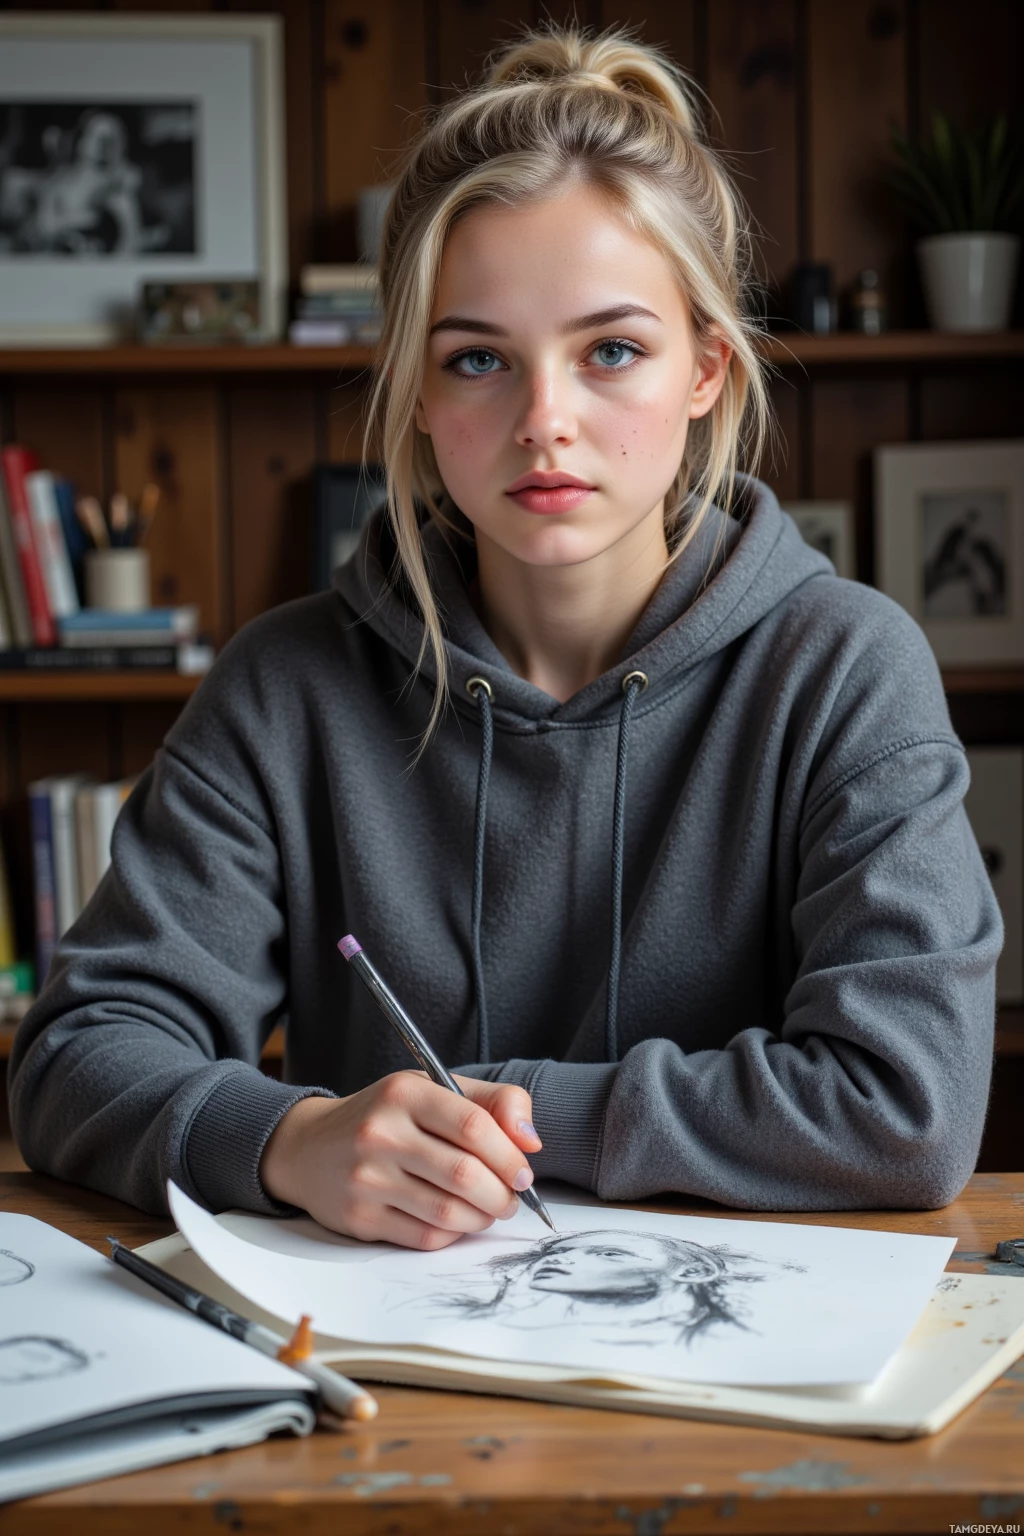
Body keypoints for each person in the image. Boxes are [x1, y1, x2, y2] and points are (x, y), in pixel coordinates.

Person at [9, 22, 1001, 1249]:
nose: (545, 420)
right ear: (416, 396)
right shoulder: (286, 686)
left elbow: (908, 1109)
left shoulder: (846, 671)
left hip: (733, 1382)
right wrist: (288, 1140)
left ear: (706, 368)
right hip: (376, 1385)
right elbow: (74, 1056)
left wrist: (525, 1113)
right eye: (478, 358)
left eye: (612, 352)